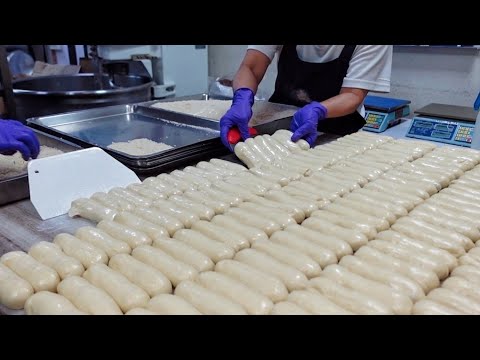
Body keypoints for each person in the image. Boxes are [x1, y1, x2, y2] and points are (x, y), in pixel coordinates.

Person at [219, 45, 393, 149]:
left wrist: (317, 110)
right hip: (280, 125)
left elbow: (353, 94)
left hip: (340, 130)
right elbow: (250, 66)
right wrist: (242, 97)